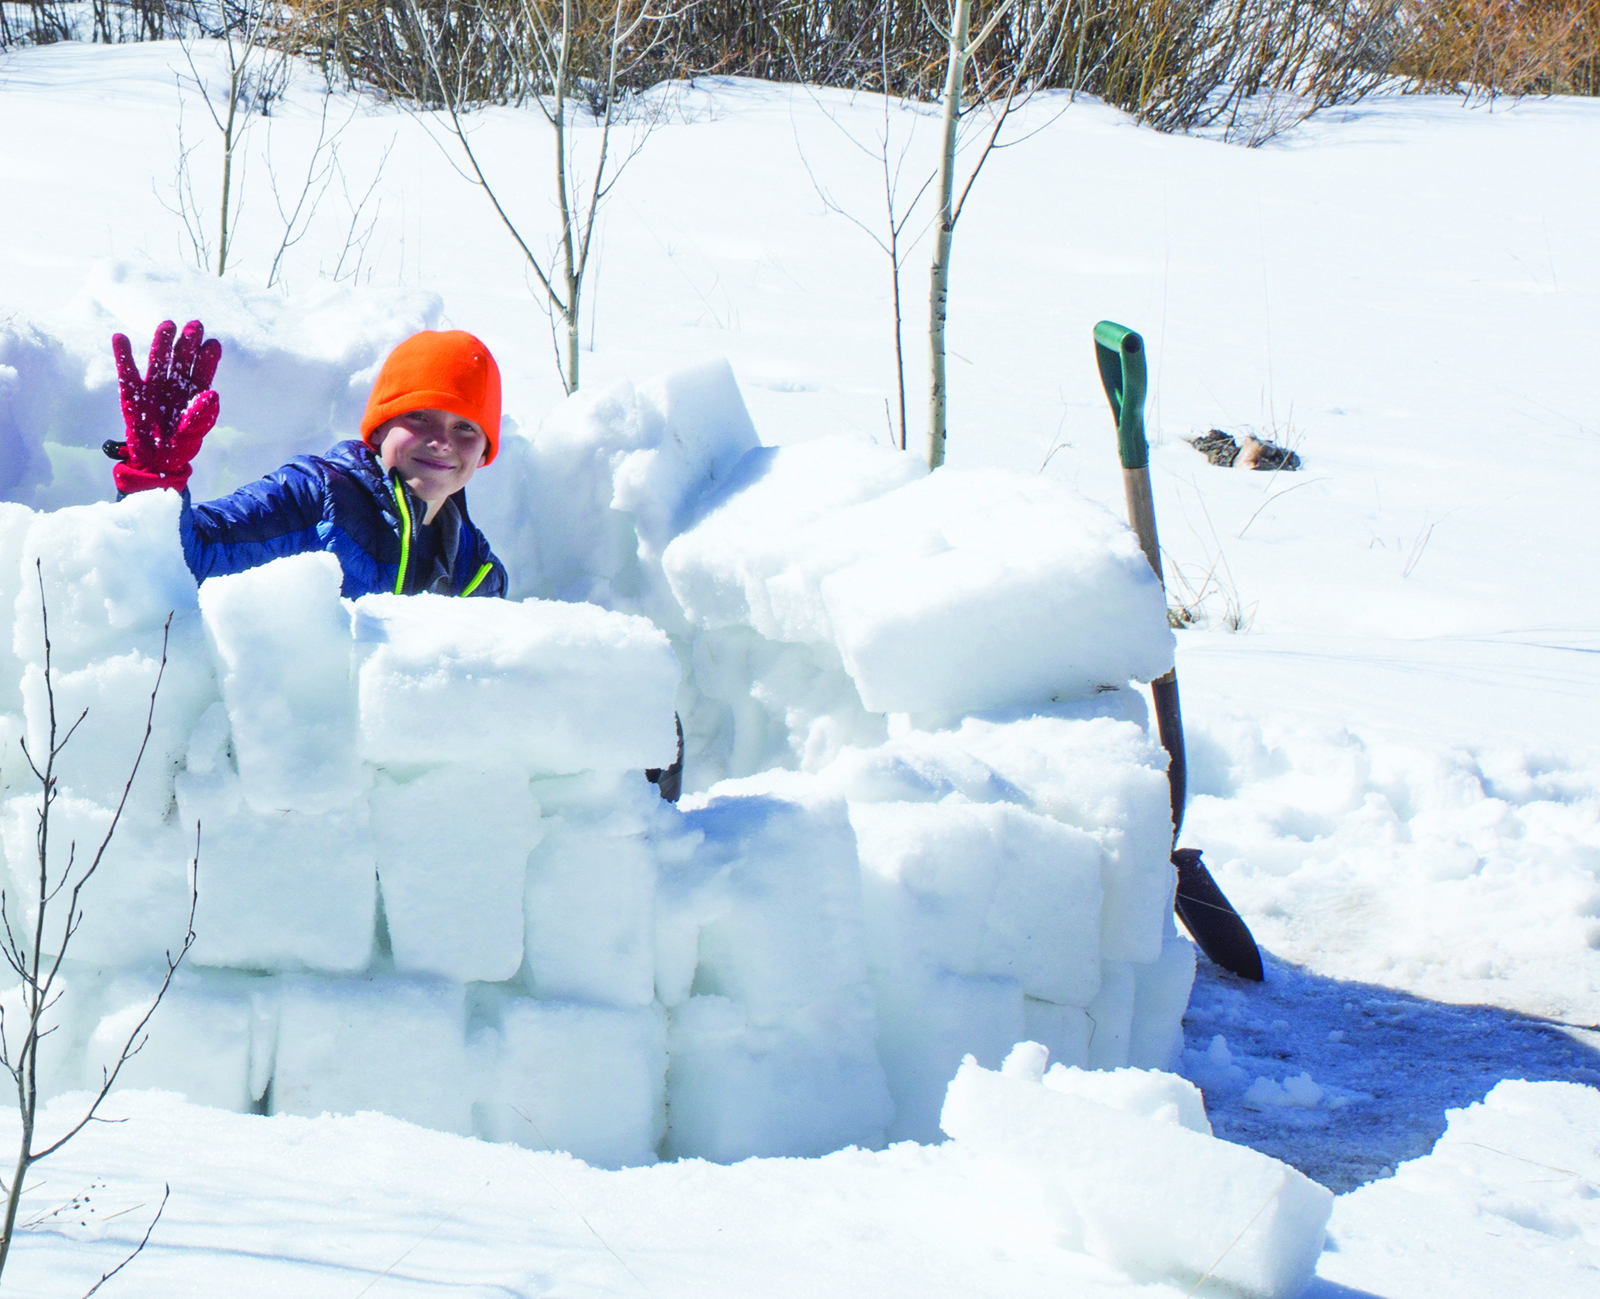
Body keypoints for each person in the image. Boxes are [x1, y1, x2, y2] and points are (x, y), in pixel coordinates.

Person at [104, 320, 508, 599]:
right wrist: (155, 482)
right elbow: (186, 561)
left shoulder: (480, 575)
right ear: (378, 429)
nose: (441, 442)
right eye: (418, 417)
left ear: (485, 451)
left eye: (465, 427)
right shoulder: (316, 498)